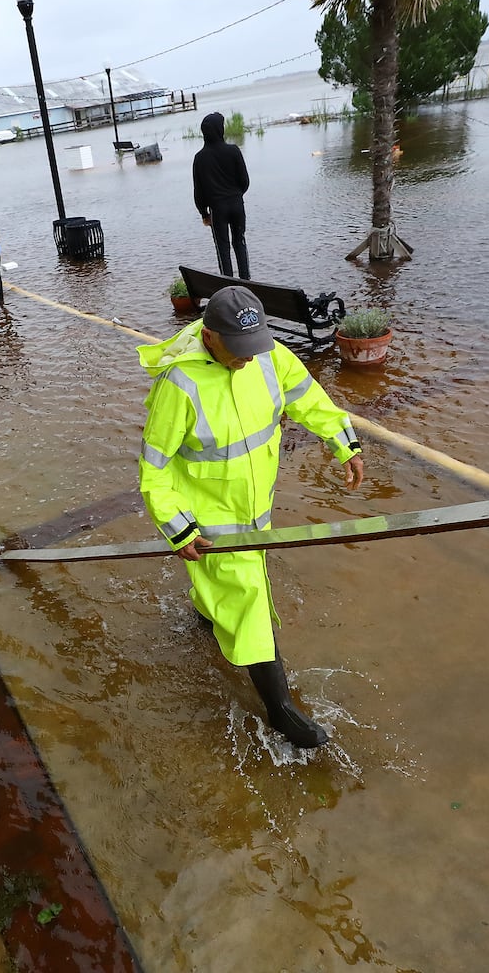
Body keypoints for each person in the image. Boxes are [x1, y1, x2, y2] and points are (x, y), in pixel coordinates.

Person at [137, 286, 365, 748]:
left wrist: (344, 442)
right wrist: (179, 529)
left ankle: (204, 615)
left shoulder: (267, 355)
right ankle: (279, 709)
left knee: (225, 592)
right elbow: (154, 470)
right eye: (236, 350)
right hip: (211, 521)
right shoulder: (179, 385)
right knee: (249, 602)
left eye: (252, 347)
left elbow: (308, 398)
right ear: (209, 336)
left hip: (256, 509)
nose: (246, 359)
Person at [192, 112, 251, 280]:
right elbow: (245, 181)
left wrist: (204, 213)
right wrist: (237, 195)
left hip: (218, 209)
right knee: (239, 242)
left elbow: (199, 190)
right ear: (220, 129)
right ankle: (246, 282)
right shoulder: (233, 151)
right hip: (237, 205)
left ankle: (228, 285)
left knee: (222, 248)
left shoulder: (200, 158)